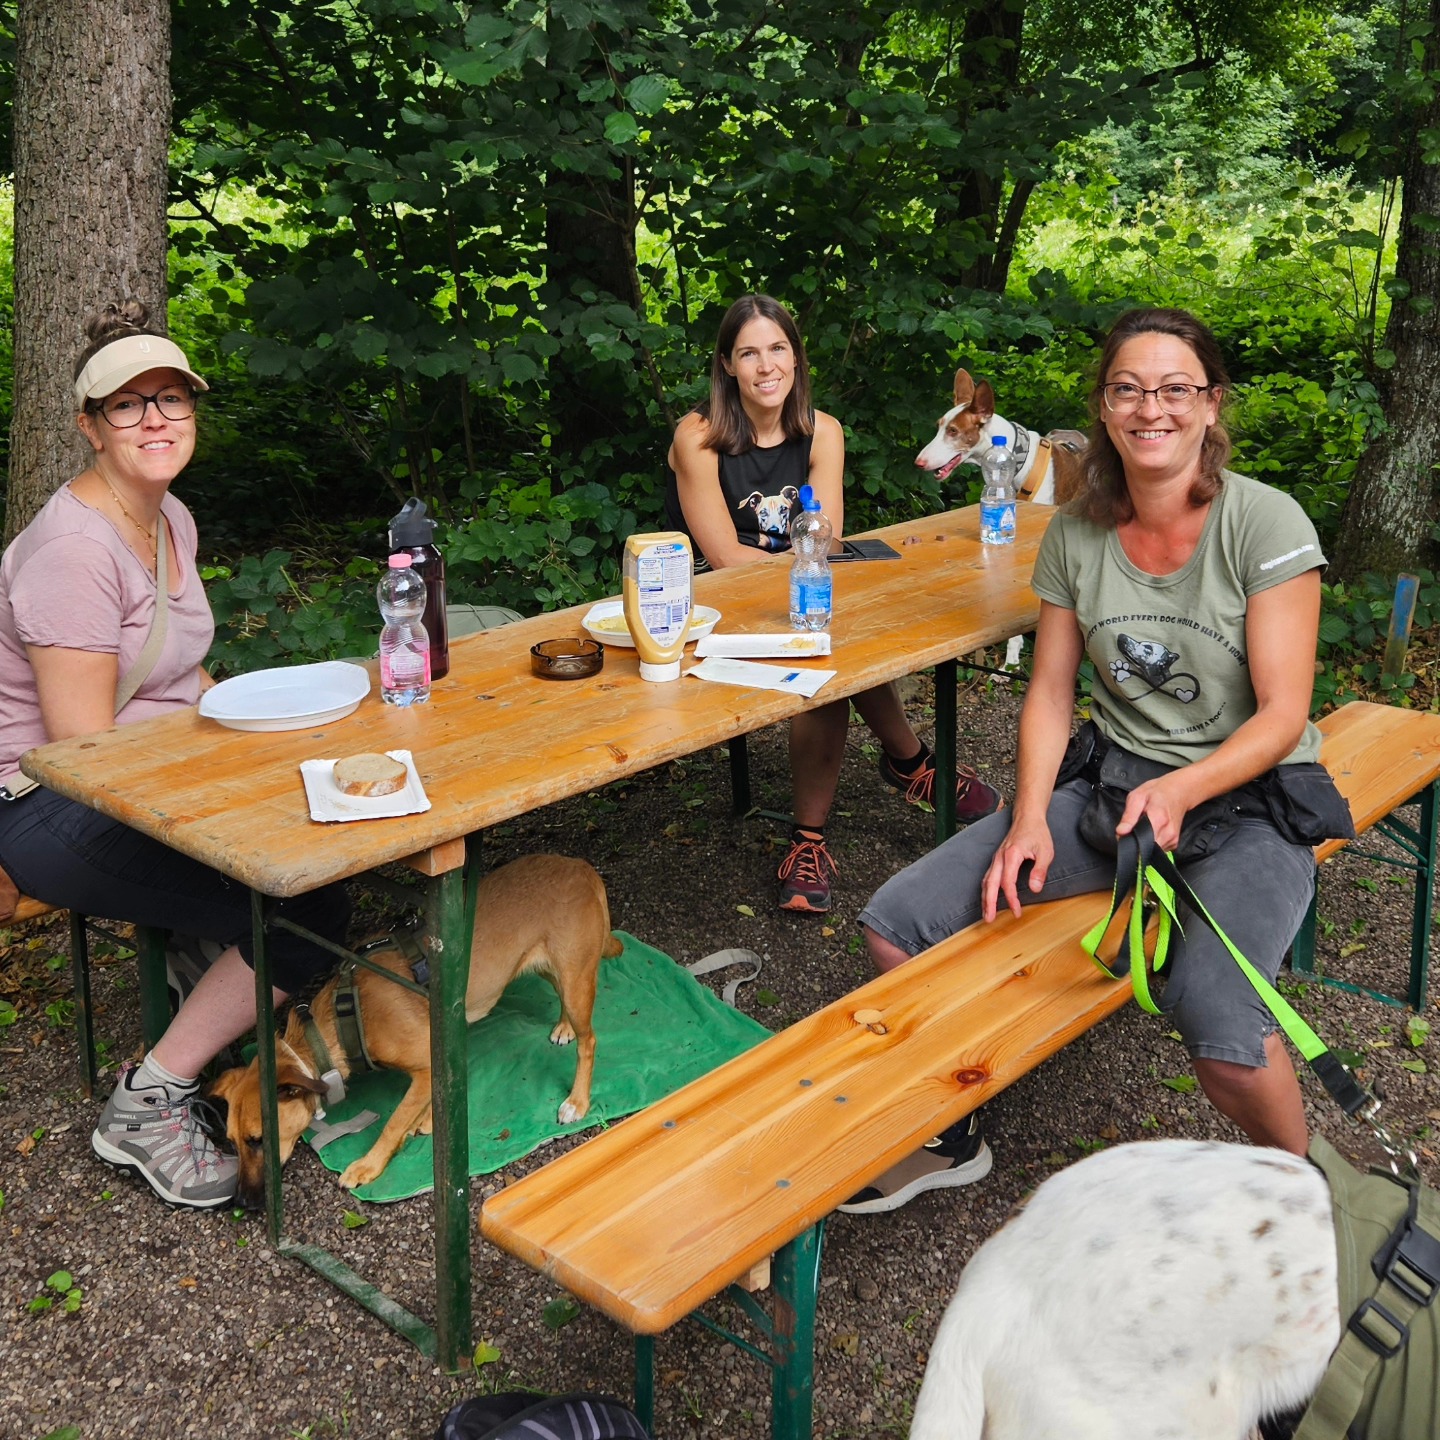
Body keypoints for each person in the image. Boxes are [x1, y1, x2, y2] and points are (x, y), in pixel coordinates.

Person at [847, 306, 1345, 1213]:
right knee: (898, 921)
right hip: (1110, 790)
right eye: (1129, 388)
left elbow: (1282, 715)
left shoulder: (1263, 524)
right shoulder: (1075, 531)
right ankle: (953, 1127)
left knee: (1224, 1029)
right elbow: (1048, 691)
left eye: (1175, 388)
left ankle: (1307, 1202)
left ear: (1210, 403)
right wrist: (1029, 815)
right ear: (1105, 408)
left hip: (1247, 802)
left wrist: (1184, 786)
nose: (1152, 407)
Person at [0, 301, 351, 1209]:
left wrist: (275, 731)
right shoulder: (71, 554)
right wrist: (230, 807)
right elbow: (84, 758)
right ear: (89, 425)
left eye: (173, 399)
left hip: (150, 767)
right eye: (128, 404)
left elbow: (180, 678)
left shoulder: (170, 519)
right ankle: (147, 1100)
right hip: (46, 806)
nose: (155, 419)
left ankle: (219, 979)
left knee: (324, 823)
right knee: (303, 900)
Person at [665, 295, 1001, 913]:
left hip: (800, 587)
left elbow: (824, 537)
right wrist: (807, 578)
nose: (766, 366)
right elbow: (724, 558)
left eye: (777, 349)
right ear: (727, 365)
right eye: (749, 353)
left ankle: (840, 815)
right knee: (823, 647)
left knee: (834, 628)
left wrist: (810, 579)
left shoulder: (824, 430)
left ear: (795, 358)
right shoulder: (699, 437)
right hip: (719, 606)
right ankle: (896, 772)